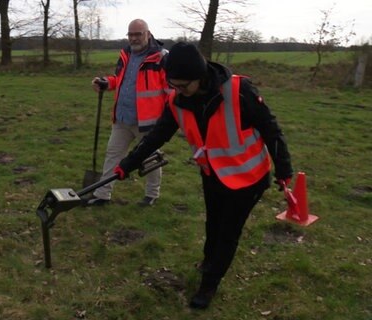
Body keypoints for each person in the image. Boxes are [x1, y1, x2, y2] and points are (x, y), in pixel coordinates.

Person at [113, 42, 294, 309]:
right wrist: (127, 164)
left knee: (228, 233)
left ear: (200, 76)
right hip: (212, 174)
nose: (178, 91)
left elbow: (271, 130)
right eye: (173, 85)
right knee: (213, 224)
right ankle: (209, 262)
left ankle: (209, 284)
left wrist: (284, 171)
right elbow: (157, 136)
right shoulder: (177, 101)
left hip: (249, 178)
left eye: (183, 85)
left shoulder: (238, 92)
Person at [85, 19, 170, 207]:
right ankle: (102, 195)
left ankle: (151, 194)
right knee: (112, 155)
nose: (133, 38)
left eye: (138, 34)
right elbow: (121, 79)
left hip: (147, 122)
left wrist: (168, 120)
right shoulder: (125, 54)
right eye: (130, 34)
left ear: (148, 33)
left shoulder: (161, 58)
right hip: (122, 118)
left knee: (149, 157)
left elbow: (171, 91)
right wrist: (107, 83)